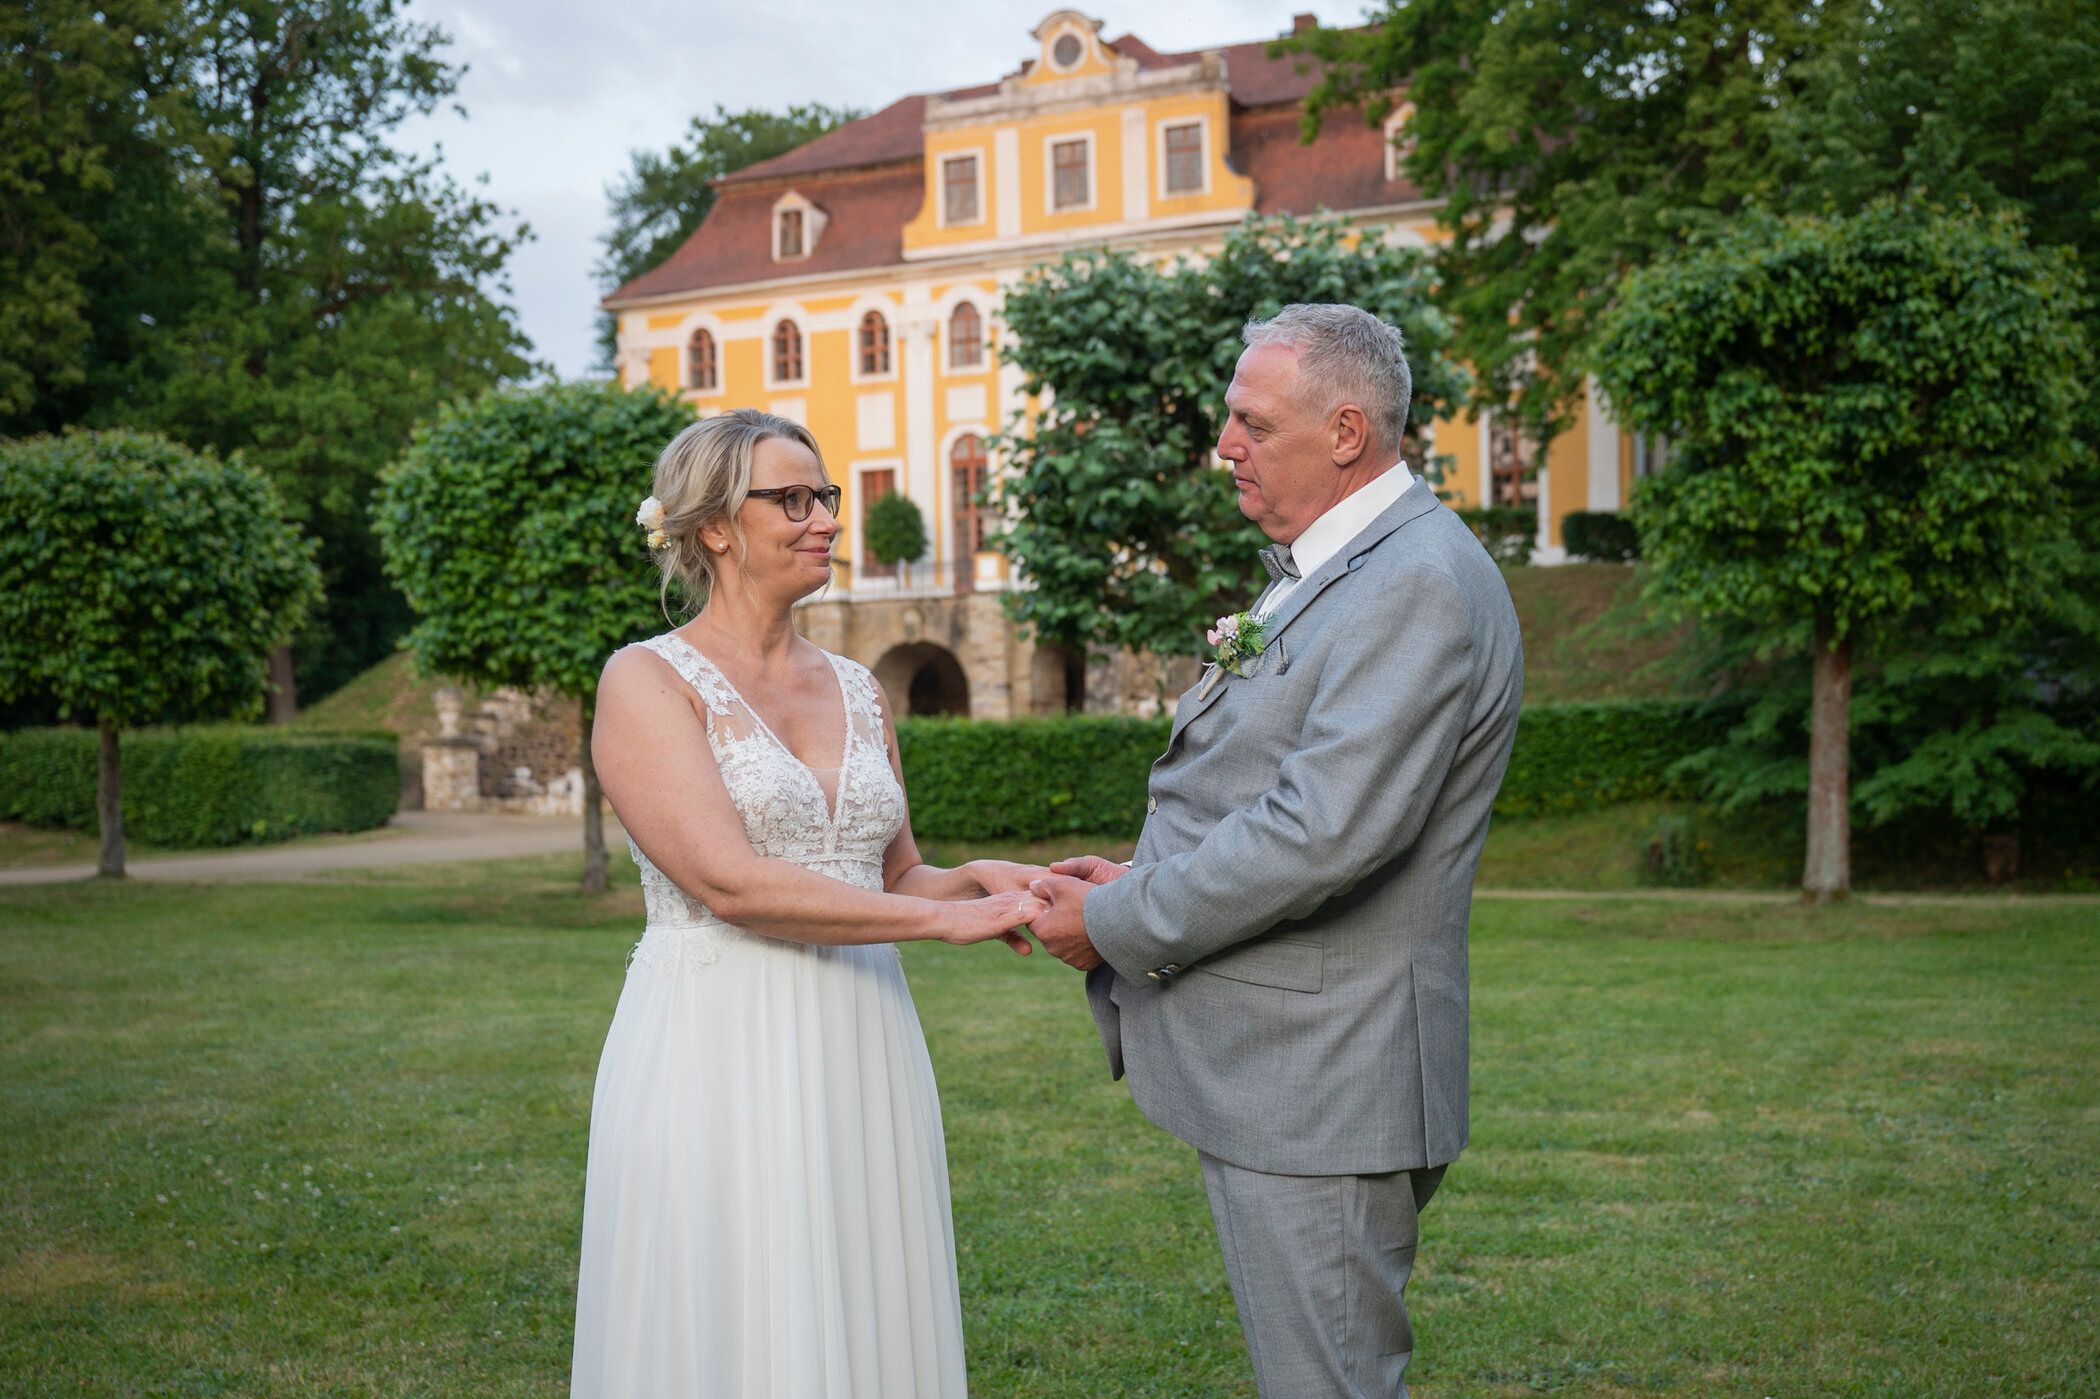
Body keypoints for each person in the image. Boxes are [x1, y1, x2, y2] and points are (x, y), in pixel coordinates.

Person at [1027, 303, 1524, 1398]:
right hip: (1296, 1076)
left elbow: (1321, 833)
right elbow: (1267, 786)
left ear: (1347, 432)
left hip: (1329, 1086)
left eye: (1250, 421)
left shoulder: (1415, 584)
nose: (1225, 446)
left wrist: (1112, 921)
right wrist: (1139, 876)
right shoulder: (1343, 567)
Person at [570, 408, 1045, 1398]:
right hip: (717, 1039)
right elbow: (728, 882)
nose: (824, 516)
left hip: (861, 1036)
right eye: (792, 499)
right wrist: (939, 922)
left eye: (824, 496)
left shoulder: (861, 687)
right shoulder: (645, 680)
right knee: (736, 1304)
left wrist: (976, 880)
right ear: (713, 527)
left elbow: (895, 870)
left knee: (863, 1291)